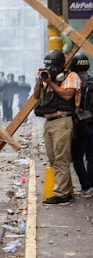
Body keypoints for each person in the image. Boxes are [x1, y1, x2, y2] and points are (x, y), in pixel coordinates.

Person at [33, 50, 81, 205]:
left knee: (61, 158)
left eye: (52, 66)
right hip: (49, 123)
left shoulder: (70, 77)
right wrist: (40, 81)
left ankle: (61, 195)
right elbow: (35, 96)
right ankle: (65, 191)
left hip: (62, 121)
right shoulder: (47, 79)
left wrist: (51, 83)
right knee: (54, 159)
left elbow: (67, 95)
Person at [69, 53, 93, 197]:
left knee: (77, 156)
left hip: (79, 124)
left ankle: (85, 186)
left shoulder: (73, 82)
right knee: (91, 156)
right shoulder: (91, 81)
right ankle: (91, 184)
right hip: (92, 123)